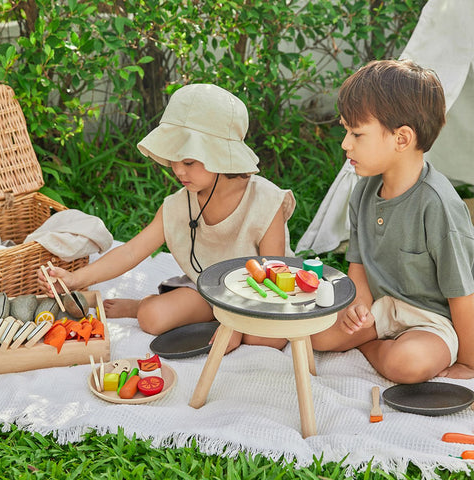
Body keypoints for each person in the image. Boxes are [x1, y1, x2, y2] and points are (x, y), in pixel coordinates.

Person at [38, 83, 296, 354]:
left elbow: (273, 273)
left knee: (269, 340)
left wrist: (237, 324)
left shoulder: (266, 200)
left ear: (221, 155)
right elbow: (130, 251)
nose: (177, 171)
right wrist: (73, 280)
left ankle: (224, 320)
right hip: (205, 289)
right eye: (173, 160)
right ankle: (160, 308)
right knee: (151, 317)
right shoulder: (177, 205)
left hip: (259, 292)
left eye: (188, 162)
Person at [309, 59, 474, 383]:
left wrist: (469, 363)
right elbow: (358, 266)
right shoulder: (363, 192)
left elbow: (463, 295)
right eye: (346, 131)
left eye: (356, 133)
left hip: (432, 322)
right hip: (381, 310)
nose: (345, 144)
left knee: (407, 364)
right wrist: (358, 309)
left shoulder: (438, 205)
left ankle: (373, 350)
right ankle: (374, 340)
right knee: (315, 336)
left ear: (401, 139)